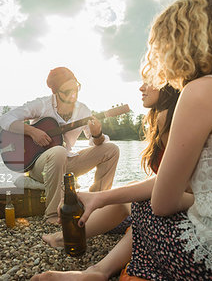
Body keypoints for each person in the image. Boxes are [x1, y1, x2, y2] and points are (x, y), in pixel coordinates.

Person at [32, 0, 212, 280]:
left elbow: (162, 204)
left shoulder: (200, 91)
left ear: (177, 44)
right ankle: (95, 267)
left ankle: (98, 272)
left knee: (144, 206)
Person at [41, 83, 180, 272]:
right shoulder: (166, 116)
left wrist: (101, 197)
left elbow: (173, 187)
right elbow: (167, 180)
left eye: (150, 79)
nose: (141, 87)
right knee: (131, 194)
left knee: (135, 202)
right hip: (42, 161)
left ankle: (85, 257)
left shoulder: (170, 118)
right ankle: (70, 241)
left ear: (169, 83)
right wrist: (31, 131)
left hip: (181, 210)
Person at [0, 67, 120, 223]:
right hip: (40, 166)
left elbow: (95, 142)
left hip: (66, 162)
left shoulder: (83, 110)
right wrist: (32, 131)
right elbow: (5, 119)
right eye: (67, 92)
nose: (73, 95)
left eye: (76, 89)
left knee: (111, 150)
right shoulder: (42, 104)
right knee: (58, 152)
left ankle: (96, 204)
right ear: (55, 92)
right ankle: (52, 215)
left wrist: (97, 134)